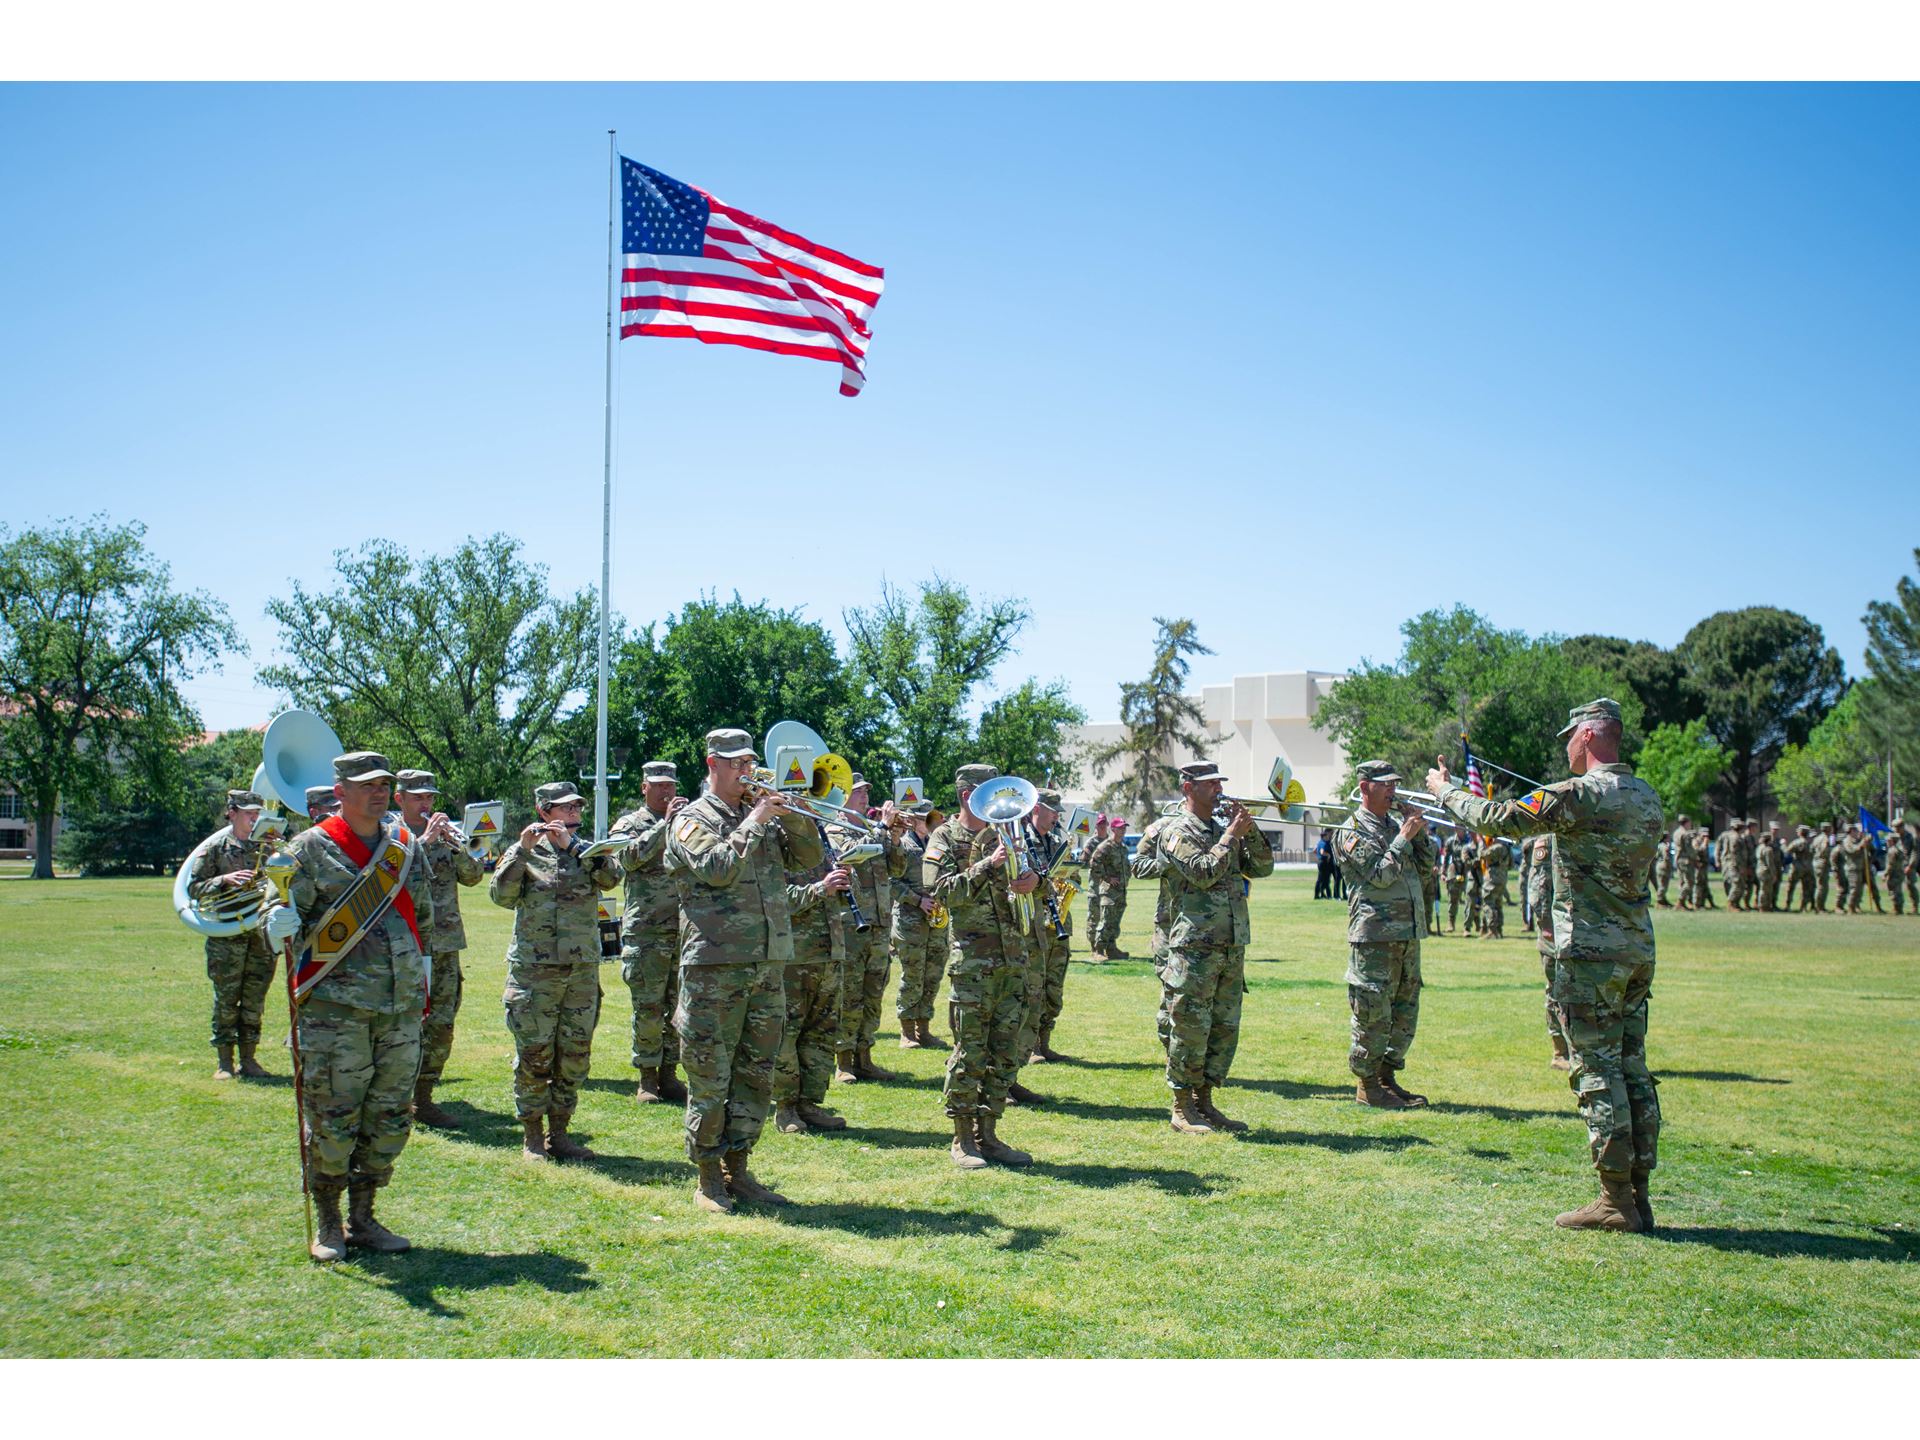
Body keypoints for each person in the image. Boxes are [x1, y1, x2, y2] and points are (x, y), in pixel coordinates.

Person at [1426, 698, 1662, 1233]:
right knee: (1633, 1069)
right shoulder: (1645, 795)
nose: (1566, 748)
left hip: (1590, 954)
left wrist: (1445, 791)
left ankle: (1615, 1201)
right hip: (1635, 949)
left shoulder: (1579, 795)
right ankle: (1638, 1195)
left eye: (1569, 738)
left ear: (1587, 736)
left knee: (1597, 1071)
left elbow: (1494, 819)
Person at [262, 752, 432, 1261]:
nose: (378, 793)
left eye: (384, 785)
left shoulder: (404, 846)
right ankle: (329, 1222)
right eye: (366, 786)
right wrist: (275, 922)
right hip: (335, 1011)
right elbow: (279, 906)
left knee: (388, 1119)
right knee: (334, 1118)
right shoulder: (309, 849)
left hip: (399, 1009)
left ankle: (365, 1217)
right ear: (340, 792)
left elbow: (422, 913)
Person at [667, 728, 824, 1212]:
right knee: (711, 1074)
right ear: (712, 763)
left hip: (766, 961)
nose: (745, 771)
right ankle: (708, 1176)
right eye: (735, 763)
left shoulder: (764, 816)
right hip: (716, 965)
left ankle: (740, 1168)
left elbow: (812, 859)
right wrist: (756, 818)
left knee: (756, 1073)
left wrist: (795, 817)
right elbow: (716, 869)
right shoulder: (691, 820)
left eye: (749, 762)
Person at [490, 780, 623, 1163]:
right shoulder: (525, 853)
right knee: (535, 1055)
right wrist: (521, 851)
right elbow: (501, 897)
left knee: (575, 1054)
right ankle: (533, 1135)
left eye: (578, 808)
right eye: (566, 808)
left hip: (581, 970)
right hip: (535, 971)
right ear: (544, 811)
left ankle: (560, 1133)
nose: (574, 814)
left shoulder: (588, 850)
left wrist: (576, 849)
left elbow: (612, 878)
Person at [925, 763, 1041, 1168]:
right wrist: (987, 865)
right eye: (989, 792)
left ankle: (989, 1134)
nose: (1001, 801)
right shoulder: (944, 836)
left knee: (1005, 1052)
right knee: (970, 1052)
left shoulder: (1012, 832)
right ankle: (962, 1139)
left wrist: (1032, 883)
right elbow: (940, 892)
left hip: (1013, 960)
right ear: (966, 796)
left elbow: (1034, 882)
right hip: (973, 965)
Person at [1158, 760, 1275, 1134]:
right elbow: (1203, 872)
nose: (1219, 790)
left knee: (1223, 1029)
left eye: (1219, 782)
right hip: (1195, 947)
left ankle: (1206, 1101)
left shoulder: (1223, 828)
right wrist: (1231, 837)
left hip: (1230, 945)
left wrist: (1249, 830)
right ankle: (1182, 1106)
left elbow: (1263, 867)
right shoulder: (1177, 831)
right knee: (1191, 1028)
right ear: (1188, 788)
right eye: (1210, 784)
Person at [1336, 761, 1435, 1108]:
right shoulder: (1351, 831)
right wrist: (1403, 838)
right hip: (1374, 936)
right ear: (1365, 788)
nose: (1393, 790)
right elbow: (1379, 875)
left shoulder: (1395, 825)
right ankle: (1367, 1084)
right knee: (1373, 1012)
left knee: (1404, 1012)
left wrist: (1418, 833)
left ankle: (1387, 1078)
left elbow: (1426, 867)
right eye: (1385, 785)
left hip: (1407, 933)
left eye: (1395, 784)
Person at [393, 770, 484, 1128]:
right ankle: (394, 1094)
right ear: (399, 799)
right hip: (404, 943)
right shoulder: (389, 834)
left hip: (444, 943)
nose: (426, 804)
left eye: (430, 797)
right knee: (402, 1022)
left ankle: (424, 1097)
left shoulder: (446, 838)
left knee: (441, 1023)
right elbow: (393, 875)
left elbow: (475, 875)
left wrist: (457, 846)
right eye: (418, 797)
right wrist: (426, 843)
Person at [609, 761, 690, 1106]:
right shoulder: (629, 824)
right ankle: (647, 1077)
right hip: (647, 932)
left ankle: (670, 1074)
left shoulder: (688, 821)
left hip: (683, 931)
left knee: (677, 1006)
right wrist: (664, 826)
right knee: (649, 1007)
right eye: (657, 785)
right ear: (644, 787)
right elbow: (626, 859)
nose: (665, 791)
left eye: (669, 785)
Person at [187, 789, 280, 1080]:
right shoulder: (215, 847)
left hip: (259, 933)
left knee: (255, 999)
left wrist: (279, 854)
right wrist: (223, 881)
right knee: (227, 999)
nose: (254, 817)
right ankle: (224, 1062)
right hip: (226, 934)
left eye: (257, 812)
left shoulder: (268, 845)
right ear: (232, 812)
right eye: (248, 812)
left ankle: (249, 1060)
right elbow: (193, 888)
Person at [827, 776, 909, 1083]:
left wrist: (897, 838)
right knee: (849, 993)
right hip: (851, 923)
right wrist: (884, 829)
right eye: (859, 792)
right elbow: (850, 855)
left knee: (874, 992)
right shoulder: (835, 827)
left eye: (865, 792)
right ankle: (843, 1061)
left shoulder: (872, 827)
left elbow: (897, 868)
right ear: (844, 795)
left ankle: (865, 1056)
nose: (865, 797)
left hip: (879, 924)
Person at [774, 843, 851, 1134]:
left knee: (822, 1033)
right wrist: (821, 888)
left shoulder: (823, 845)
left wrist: (844, 884)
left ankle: (809, 1103)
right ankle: (785, 1107)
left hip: (830, 953)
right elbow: (775, 899)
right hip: (795, 956)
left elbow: (835, 902)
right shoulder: (778, 843)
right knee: (787, 1032)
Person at [1022, 788, 1076, 1067]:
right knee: (1033, 987)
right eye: (1052, 810)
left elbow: (1072, 875)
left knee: (1054, 987)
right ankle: (1030, 1046)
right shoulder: (1021, 840)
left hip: (1059, 922)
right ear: (1036, 808)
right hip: (1034, 924)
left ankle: (1045, 1041)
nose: (1056, 816)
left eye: (1058, 812)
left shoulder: (1058, 841)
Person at [890, 800, 945, 1048]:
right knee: (912, 975)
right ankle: (907, 1032)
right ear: (912, 820)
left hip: (935, 918)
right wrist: (917, 900)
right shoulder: (903, 844)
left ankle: (924, 1029)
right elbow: (891, 882)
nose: (929, 822)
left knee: (932, 974)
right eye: (924, 818)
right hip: (910, 919)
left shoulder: (938, 843)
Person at [1130, 809, 1180, 1051]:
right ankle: (1171, 1050)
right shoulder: (1163, 826)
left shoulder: (1219, 825)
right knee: (1172, 987)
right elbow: (1138, 866)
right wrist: (1169, 863)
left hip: (1210, 927)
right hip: (1170, 924)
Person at [1089, 817, 1133, 958]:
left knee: (1115, 921)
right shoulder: (1105, 846)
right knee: (1106, 920)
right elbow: (1094, 863)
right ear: (1113, 829)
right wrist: (1107, 878)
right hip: (1108, 891)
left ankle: (1112, 948)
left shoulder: (1123, 848)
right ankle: (1099, 950)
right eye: (1120, 827)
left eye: (1124, 827)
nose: (1123, 830)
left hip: (1121, 890)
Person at [1081, 815, 1110, 950]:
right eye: (1099, 824)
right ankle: (1094, 946)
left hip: (1110, 888)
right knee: (1094, 917)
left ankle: (1106, 945)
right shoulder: (1091, 843)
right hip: (1096, 886)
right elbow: (1083, 862)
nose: (1102, 827)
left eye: (1104, 824)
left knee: (1108, 917)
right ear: (1095, 826)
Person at [1481, 834, 1509, 939]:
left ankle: (1492, 930)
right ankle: (1499, 930)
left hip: (1493, 878)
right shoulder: (1507, 848)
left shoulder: (1496, 847)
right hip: (1502, 878)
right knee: (1498, 904)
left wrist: (1485, 845)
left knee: (1488, 903)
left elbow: (1483, 854)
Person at [1783, 824, 1814, 912]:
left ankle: (1787, 905)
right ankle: (1803, 906)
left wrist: (1784, 845)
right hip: (1807, 867)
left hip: (1797, 867)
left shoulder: (1796, 842)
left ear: (1800, 833)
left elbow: (1787, 852)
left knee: (1791, 887)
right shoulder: (1809, 843)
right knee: (1805, 888)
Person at [1443, 838, 1468, 932]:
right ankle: (1451, 923)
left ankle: (1470, 925)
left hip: (1467, 871)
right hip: (1455, 871)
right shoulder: (1450, 841)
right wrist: (1443, 872)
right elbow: (1446, 857)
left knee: (1470, 899)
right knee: (1453, 898)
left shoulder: (1470, 839)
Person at [1811, 820, 1837, 912]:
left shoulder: (1817, 838)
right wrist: (1831, 849)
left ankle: (1819, 906)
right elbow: (1824, 850)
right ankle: (1819, 907)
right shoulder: (1826, 839)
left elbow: (1812, 849)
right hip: (1822, 863)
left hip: (1816, 862)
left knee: (1820, 885)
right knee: (1822, 886)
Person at [1313, 831, 1334, 899]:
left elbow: (1315, 850)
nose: (1328, 837)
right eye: (1327, 836)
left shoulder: (1319, 842)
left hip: (1320, 861)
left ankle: (1322, 894)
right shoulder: (1323, 843)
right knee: (1322, 879)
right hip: (1323, 862)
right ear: (1324, 836)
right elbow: (1322, 852)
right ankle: (1318, 895)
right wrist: (1328, 855)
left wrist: (1318, 857)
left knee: (1323, 879)